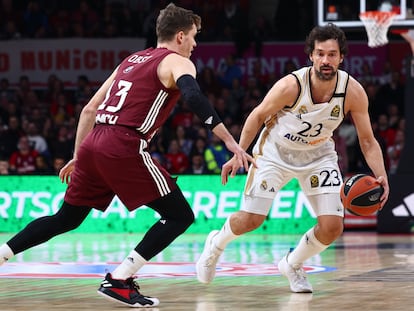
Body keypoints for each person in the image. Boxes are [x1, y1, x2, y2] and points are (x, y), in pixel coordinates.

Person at [0, 3, 253, 308]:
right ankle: (119, 280)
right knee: (179, 215)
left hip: (95, 142)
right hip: (123, 142)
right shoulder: (177, 61)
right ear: (181, 36)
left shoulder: (131, 60)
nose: (196, 45)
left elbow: (89, 110)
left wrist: (80, 155)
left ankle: (3, 253)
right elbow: (194, 97)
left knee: (65, 218)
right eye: (195, 37)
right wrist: (230, 142)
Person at [196, 23, 389, 294]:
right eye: (320, 53)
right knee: (251, 220)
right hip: (275, 153)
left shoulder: (353, 91)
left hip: (319, 155)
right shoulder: (291, 85)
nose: (325, 60)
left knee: (332, 227)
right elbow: (258, 115)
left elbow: (367, 141)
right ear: (310, 55)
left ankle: (292, 263)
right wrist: (240, 151)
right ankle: (215, 244)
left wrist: (382, 176)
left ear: (341, 57)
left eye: (332, 54)